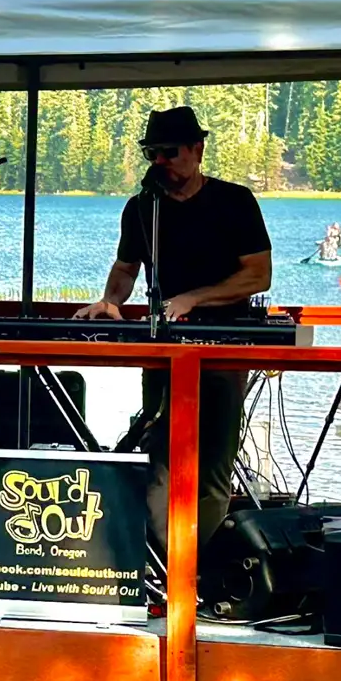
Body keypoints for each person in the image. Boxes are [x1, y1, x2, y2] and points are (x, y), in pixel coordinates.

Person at [72, 106, 272, 563]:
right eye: (151, 152)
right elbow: (126, 269)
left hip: (224, 346)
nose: (160, 161)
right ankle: (163, 567)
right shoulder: (144, 207)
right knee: (160, 460)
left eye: (169, 152)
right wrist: (110, 302)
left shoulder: (234, 201)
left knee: (212, 467)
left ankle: (192, 569)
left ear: (197, 151)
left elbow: (258, 276)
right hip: (163, 349)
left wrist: (194, 299)